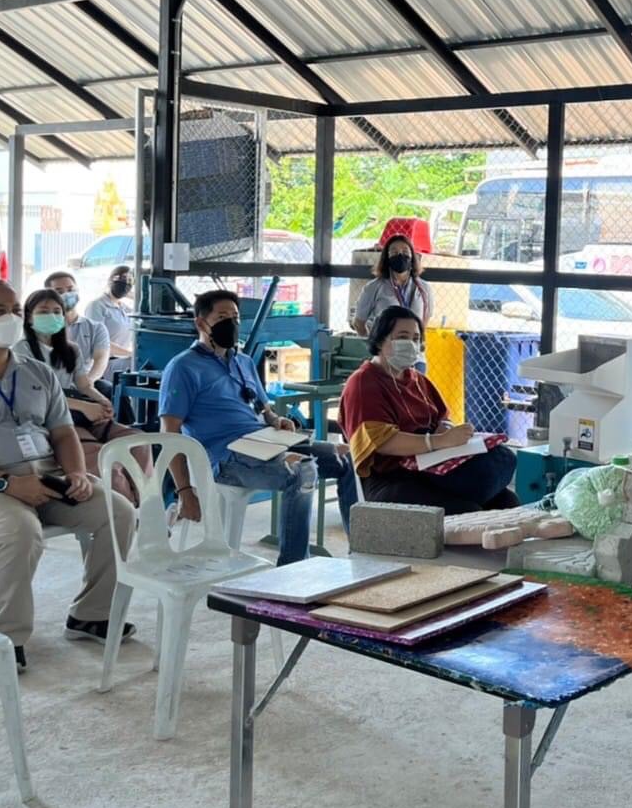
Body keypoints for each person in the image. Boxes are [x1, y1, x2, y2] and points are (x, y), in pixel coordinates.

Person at [0, 280, 136, 672]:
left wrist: (77, 473)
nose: (12, 318)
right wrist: (8, 484)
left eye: (15, 310)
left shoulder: (37, 372)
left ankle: (91, 614)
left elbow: (63, 432)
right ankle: (5, 639)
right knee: (20, 529)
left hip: (46, 475)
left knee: (118, 512)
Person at [158, 290, 354, 564]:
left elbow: (264, 409)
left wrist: (276, 420)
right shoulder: (183, 367)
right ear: (201, 323)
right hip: (225, 456)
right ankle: (293, 566)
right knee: (301, 470)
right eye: (222, 317)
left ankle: (360, 548)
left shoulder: (243, 362)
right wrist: (184, 491)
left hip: (264, 442)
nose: (231, 323)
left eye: (235, 317)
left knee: (345, 457)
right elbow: (170, 433)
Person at [340, 306, 519, 513]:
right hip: (391, 478)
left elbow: (443, 417)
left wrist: (446, 429)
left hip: (429, 466)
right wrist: (438, 441)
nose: (411, 344)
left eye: (416, 338)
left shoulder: (417, 380)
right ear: (380, 340)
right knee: (467, 509)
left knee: (506, 501)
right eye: (403, 337)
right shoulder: (363, 382)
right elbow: (381, 441)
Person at [19, 289, 151, 506]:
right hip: (52, 421)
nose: (51, 316)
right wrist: (83, 407)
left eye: (57, 311)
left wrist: (101, 401)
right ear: (29, 317)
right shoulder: (21, 351)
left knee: (139, 442)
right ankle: (124, 513)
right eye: (43, 311)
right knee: (104, 460)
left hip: (79, 415)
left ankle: (145, 506)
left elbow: (84, 384)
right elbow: (38, 395)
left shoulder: (70, 350)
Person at [352, 235, 432, 336]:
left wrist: (417, 341)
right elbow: (358, 323)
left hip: (411, 344)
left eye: (405, 252)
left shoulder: (424, 288)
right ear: (387, 258)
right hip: (385, 344)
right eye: (394, 252)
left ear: (412, 257)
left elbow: (425, 321)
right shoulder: (373, 287)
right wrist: (373, 343)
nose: (400, 255)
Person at [43, 270, 110, 386]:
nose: (66, 294)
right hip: (50, 384)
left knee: (107, 388)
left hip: (85, 383)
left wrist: (86, 384)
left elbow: (100, 360)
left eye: (70, 290)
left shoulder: (96, 328)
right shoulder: (42, 327)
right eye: (59, 292)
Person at [83, 265, 135, 383]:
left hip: (121, 360)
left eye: (129, 281)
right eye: (121, 279)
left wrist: (134, 296)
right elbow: (99, 341)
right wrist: (130, 353)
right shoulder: (97, 306)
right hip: (103, 364)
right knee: (136, 363)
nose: (125, 284)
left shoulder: (124, 308)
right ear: (110, 280)